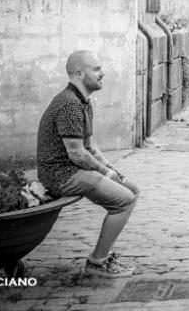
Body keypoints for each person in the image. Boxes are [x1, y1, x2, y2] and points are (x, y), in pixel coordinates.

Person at [37, 50, 139, 278]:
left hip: (75, 170)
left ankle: (102, 257)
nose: (103, 73)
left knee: (132, 189)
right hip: (60, 175)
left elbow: (90, 146)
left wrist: (114, 171)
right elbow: (76, 153)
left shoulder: (83, 102)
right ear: (79, 73)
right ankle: (98, 262)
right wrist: (105, 173)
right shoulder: (69, 104)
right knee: (124, 201)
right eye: (97, 69)